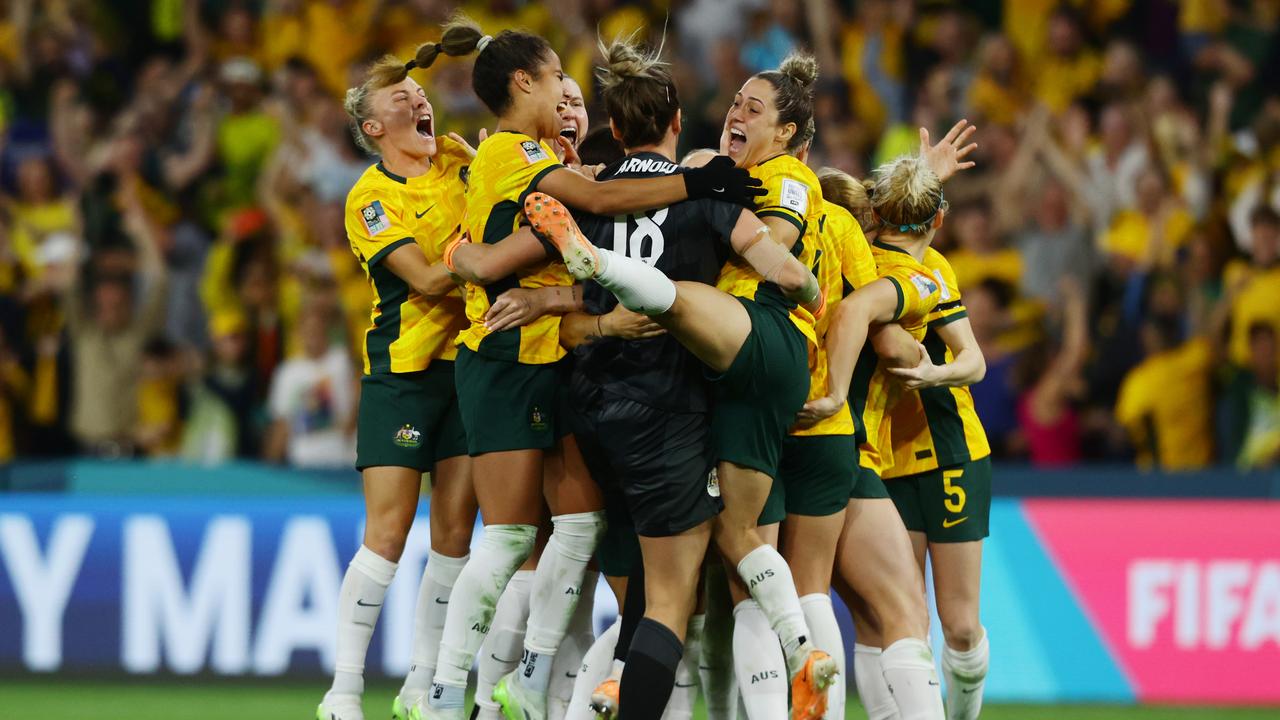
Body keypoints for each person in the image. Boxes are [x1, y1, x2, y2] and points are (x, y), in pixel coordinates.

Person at [409, 16, 764, 720]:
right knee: (512, 537)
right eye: (554, 83)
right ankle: (441, 691)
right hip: (510, 356)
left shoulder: (535, 158)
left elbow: (576, 204)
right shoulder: (513, 153)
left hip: (562, 360)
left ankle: (532, 686)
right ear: (525, 83)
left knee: (575, 533)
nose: (565, 100)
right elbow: (594, 204)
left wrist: (476, 258)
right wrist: (696, 188)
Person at [522, 53, 838, 720]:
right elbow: (775, 263)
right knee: (677, 594)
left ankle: (538, 689)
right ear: (676, 121)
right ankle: (788, 656)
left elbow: (577, 320)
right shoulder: (710, 190)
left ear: (612, 122)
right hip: (672, 410)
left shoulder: (594, 193)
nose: (737, 115)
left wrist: (559, 303)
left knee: (619, 579)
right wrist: (811, 289)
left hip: (593, 411)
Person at [315, 53, 479, 720]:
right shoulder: (370, 199)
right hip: (403, 375)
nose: (420, 103)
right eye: (402, 99)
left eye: (421, 93)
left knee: (454, 536)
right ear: (372, 127)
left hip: (470, 367)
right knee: (386, 534)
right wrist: (487, 236)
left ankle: (422, 684)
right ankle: (344, 690)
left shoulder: (459, 164)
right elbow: (431, 280)